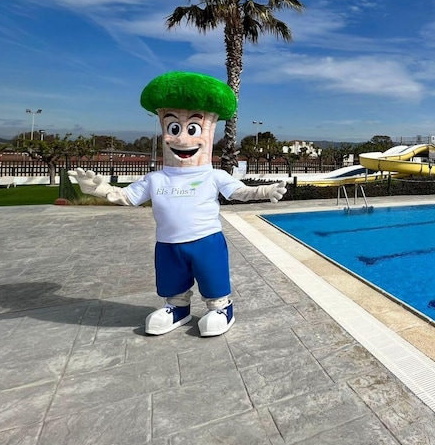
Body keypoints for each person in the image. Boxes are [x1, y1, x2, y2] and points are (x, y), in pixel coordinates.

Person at [69, 71, 286, 337]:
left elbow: (239, 192)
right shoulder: (156, 178)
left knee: (213, 277)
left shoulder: (213, 175)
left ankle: (221, 307)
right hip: (168, 243)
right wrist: (99, 189)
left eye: (193, 129)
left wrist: (265, 190)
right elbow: (127, 196)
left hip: (206, 241)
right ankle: (178, 308)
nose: (182, 139)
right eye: (174, 128)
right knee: (172, 280)